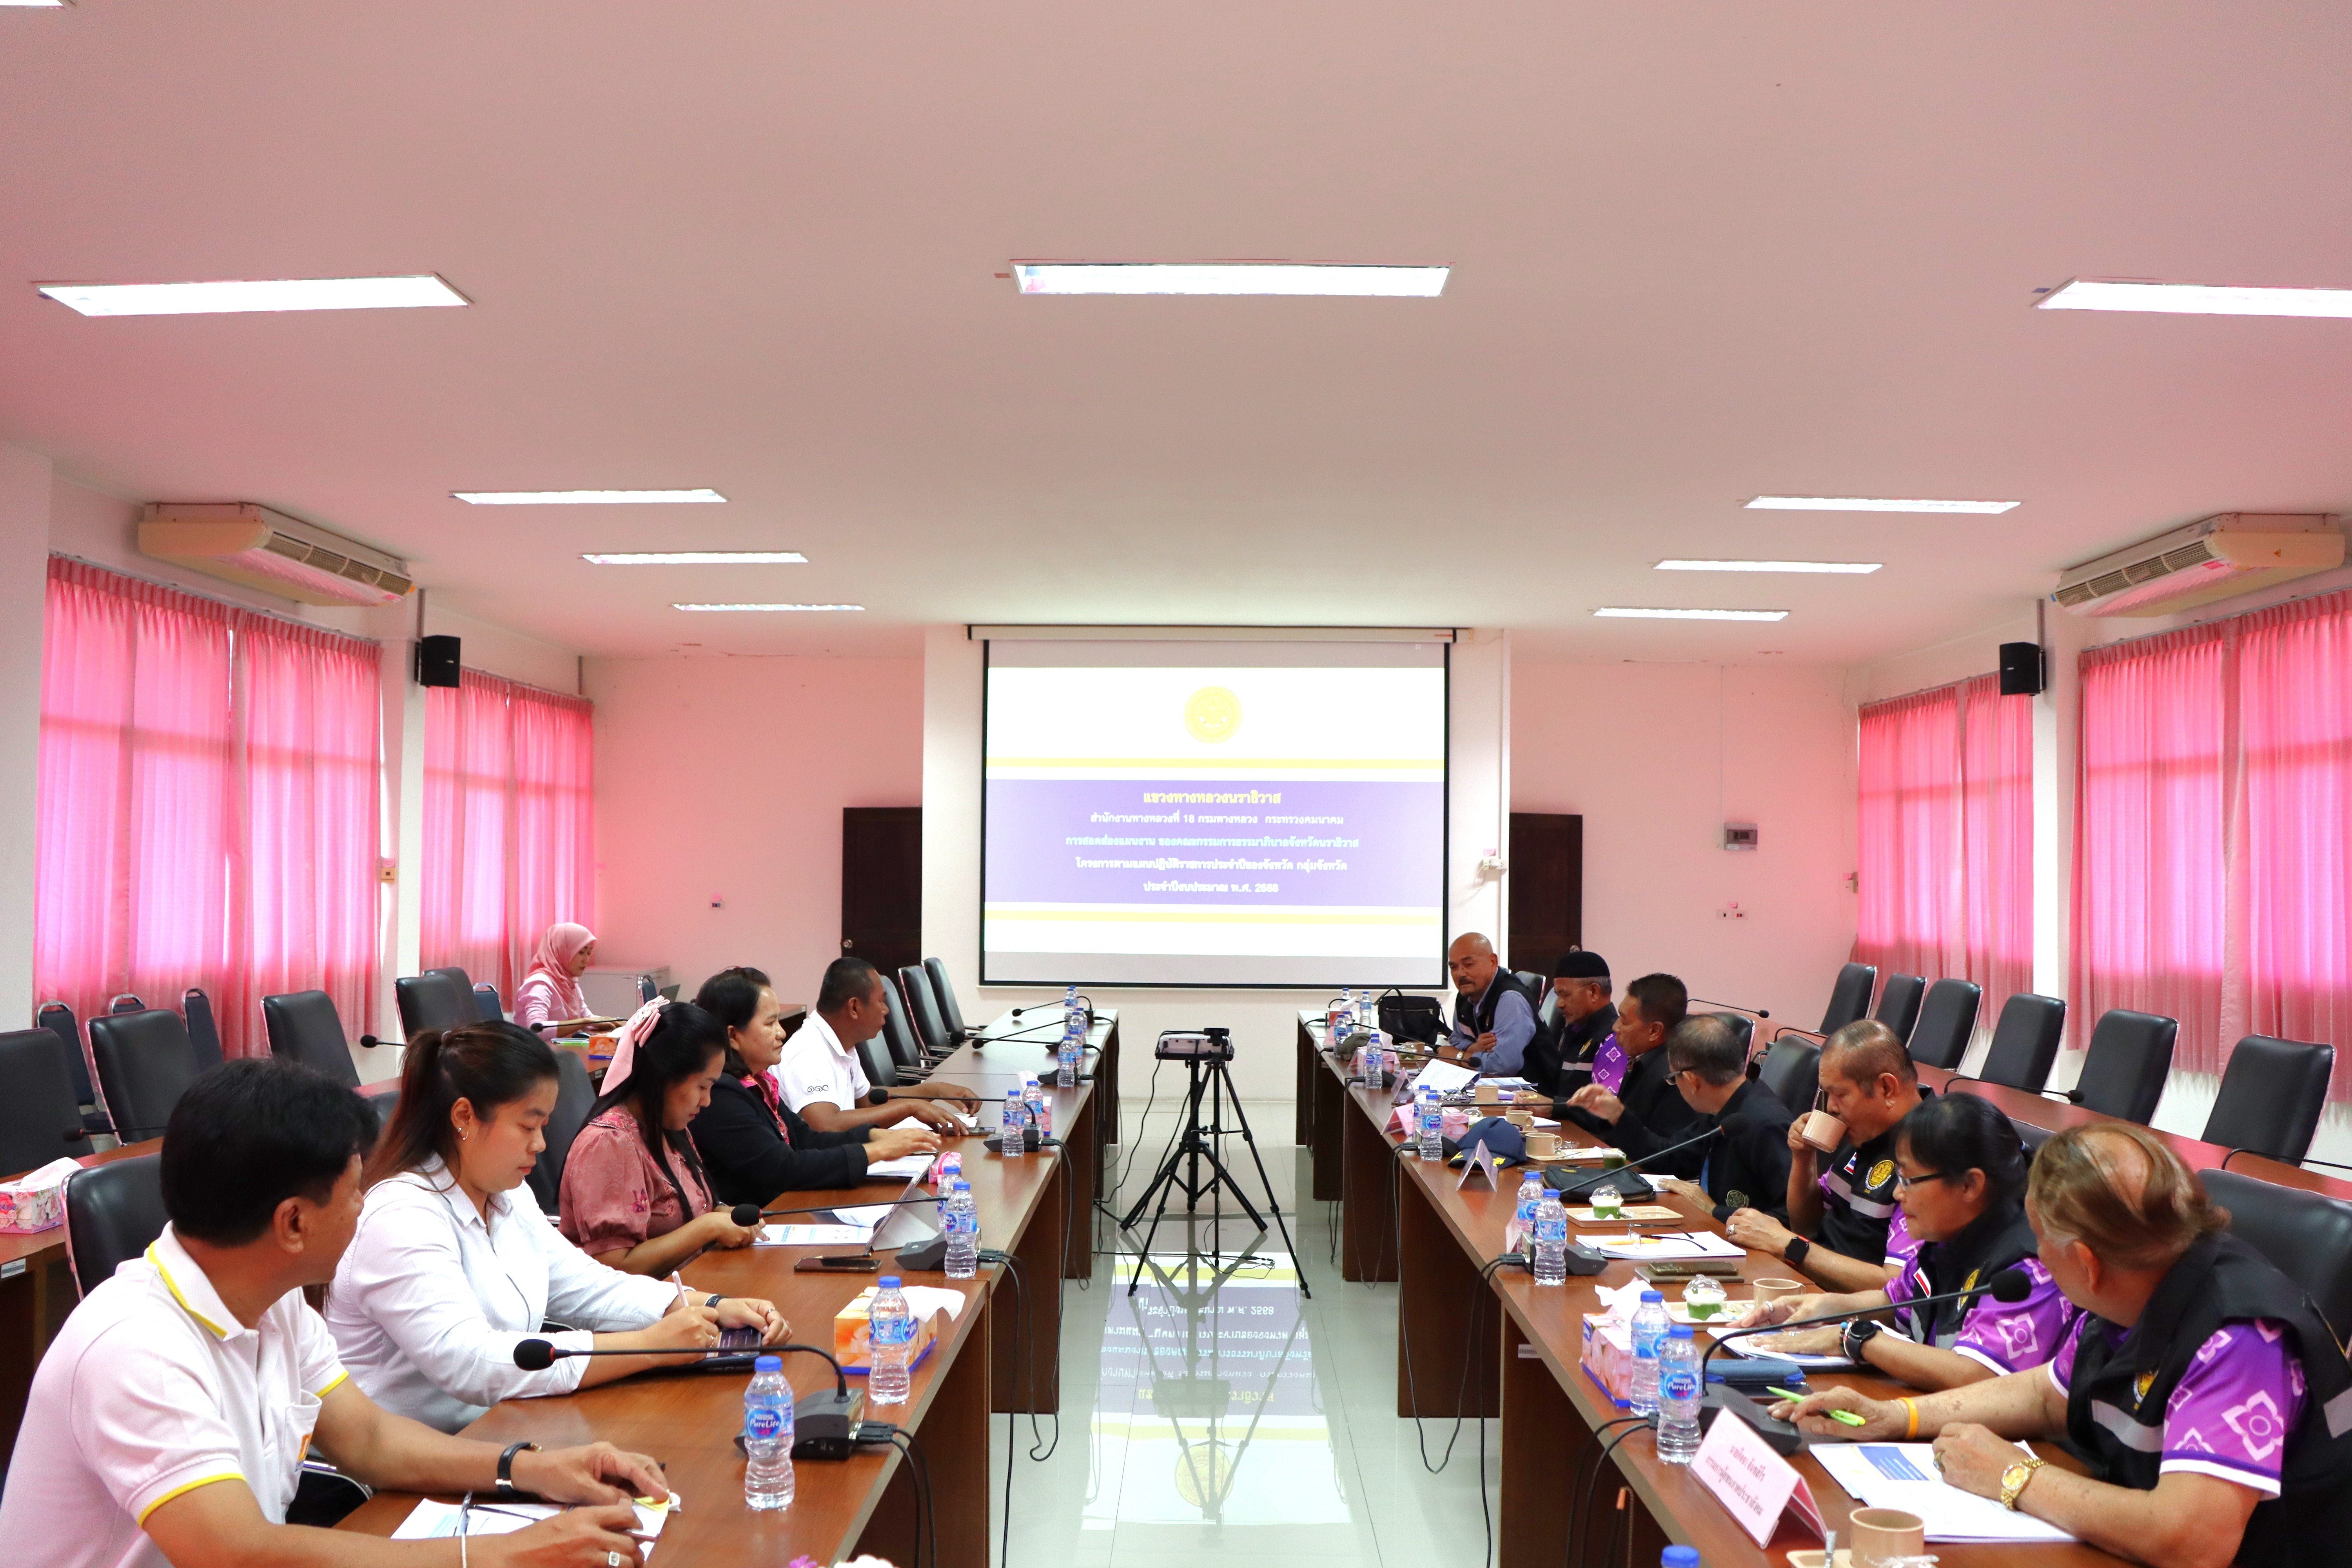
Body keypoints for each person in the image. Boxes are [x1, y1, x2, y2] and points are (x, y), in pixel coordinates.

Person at [0, 1057, 670, 1568]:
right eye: (355, 1193)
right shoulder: (135, 1349)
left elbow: (368, 1439)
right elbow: (238, 1552)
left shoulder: (273, 1301)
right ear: (293, 1223)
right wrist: (500, 1554)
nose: (365, 1208)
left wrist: (531, 1468)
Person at [1773, 1124, 2352, 1567]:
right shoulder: (2134, 1282)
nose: (2038, 1258)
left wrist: (2016, 1477)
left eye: (2043, 1243)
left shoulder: (2242, 1337)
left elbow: (2190, 1541)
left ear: (2086, 1263)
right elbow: (2047, 1394)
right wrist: (1898, 1417)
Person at [328, 1020, 789, 1434]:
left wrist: (707, 1305)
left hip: (503, 1424)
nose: (541, 1144)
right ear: (464, 1117)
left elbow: (584, 1285)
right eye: (528, 1126)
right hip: (414, 1463)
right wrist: (647, 1347)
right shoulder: (403, 1217)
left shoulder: (505, 1192)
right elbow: (470, 1363)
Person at [1735, 1094, 2076, 1390]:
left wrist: (1855, 1339)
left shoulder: (2029, 1267)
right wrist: (1820, 1308)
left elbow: (1978, 1375)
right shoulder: (1951, 1236)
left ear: (1970, 1185)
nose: (1898, 1193)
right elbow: (1896, 1300)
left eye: (1909, 1180)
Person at [689, 965, 941, 1206]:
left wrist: (875, 1136)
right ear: (733, 1036)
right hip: (761, 1221)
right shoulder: (721, 1094)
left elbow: (805, 1138)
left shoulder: (759, 1080)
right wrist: (877, 1151)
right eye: (770, 1024)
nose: (781, 1033)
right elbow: (784, 1168)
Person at [558, 1000, 765, 1275]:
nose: (707, 1101)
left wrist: (720, 1215)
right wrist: (708, 1227)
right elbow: (613, 1266)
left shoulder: (668, 1125)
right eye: (702, 1087)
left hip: (685, 1285)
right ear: (664, 1076)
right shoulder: (609, 1143)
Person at [1725, 1018, 1924, 1293]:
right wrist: (1803, 1158)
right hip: (1812, 1287)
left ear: (1887, 1089)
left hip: (1848, 1308)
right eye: (1827, 1093)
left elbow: (1895, 1288)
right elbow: (1807, 1225)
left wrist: (1787, 1244)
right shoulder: (1867, 1133)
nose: (1831, 1107)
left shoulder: (1929, 1154)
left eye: (1840, 1094)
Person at [775, 958, 983, 1136]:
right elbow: (826, 1126)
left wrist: (935, 1090)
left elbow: (867, 1101)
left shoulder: (841, 1043)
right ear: (854, 1007)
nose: (886, 1010)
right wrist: (910, 1107)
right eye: (881, 1002)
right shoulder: (809, 1054)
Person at [1557, 973, 1710, 1177]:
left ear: (1654, 1031)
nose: (1615, 1027)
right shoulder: (1642, 1059)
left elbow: (1669, 1160)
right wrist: (1607, 1111)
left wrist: (1619, 1115)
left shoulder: (1674, 1075)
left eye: (1624, 1021)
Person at [1650, 1013, 1795, 1222]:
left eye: (1674, 1078)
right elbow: (1671, 1157)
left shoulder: (1766, 1125)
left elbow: (1793, 1219)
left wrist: (1714, 1211)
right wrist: (1618, 1117)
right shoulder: (1722, 1111)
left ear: (1692, 1081)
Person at [1434, 932, 1540, 1075]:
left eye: (1469, 965)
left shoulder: (1510, 999)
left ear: (1493, 962)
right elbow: (1456, 1039)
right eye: (1454, 967)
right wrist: (1473, 1048)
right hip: (1488, 1082)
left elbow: (1502, 1065)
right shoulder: (1467, 993)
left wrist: (1459, 1056)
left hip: (1530, 1087)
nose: (1460, 974)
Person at [1521, 949, 1614, 1098]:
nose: (1559, 1004)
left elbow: (1604, 1106)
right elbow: (1557, 1091)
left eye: (1565, 995)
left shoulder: (1613, 1039)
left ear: (1594, 992)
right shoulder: (1575, 1030)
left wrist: (1551, 1106)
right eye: (1558, 996)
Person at [513, 920, 603, 1033]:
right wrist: (584, 1023)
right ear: (561, 950)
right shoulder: (540, 984)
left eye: (589, 953)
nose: (586, 960)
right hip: (535, 1044)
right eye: (581, 953)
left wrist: (616, 1023)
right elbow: (536, 1029)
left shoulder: (569, 983)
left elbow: (587, 1018)